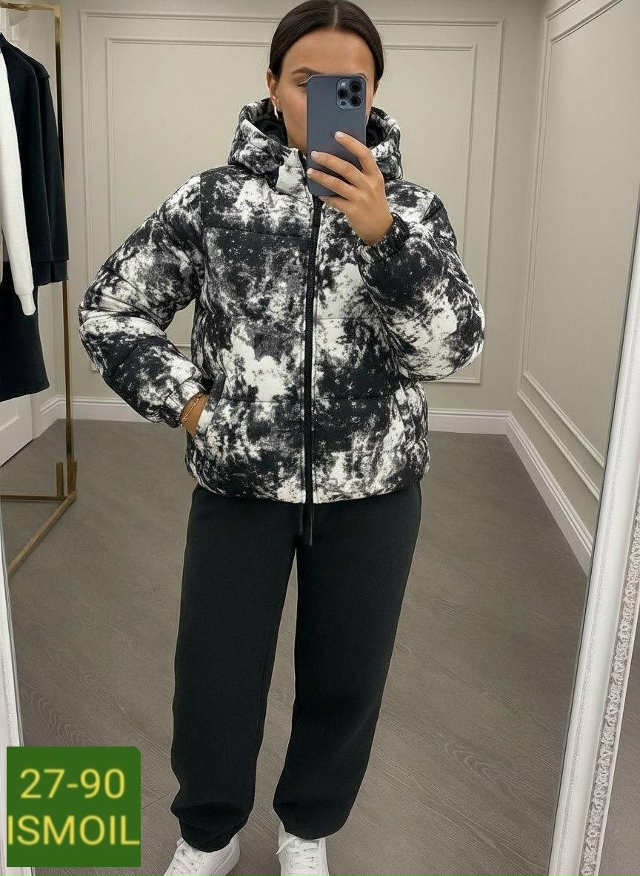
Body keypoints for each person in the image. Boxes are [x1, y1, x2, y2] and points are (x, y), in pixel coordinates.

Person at [77, 2, 485, 874]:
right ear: (271, 85)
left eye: (349, 84)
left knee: (346, 680)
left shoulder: (412, 210)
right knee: (214, 678)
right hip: (240, 486)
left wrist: (384, 238)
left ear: (373, 92)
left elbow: (448, 350)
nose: (326, 99)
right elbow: (112, 309)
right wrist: (195, 408)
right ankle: (209, 834)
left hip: (373, 492)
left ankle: (308, 830)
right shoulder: (212, 200)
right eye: (306, 81)